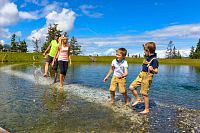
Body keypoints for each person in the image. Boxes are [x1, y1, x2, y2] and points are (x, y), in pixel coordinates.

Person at [129, 42, 159, 114]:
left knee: (144, 93)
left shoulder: (154, 60)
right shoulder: (147, 57)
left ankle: (147, 109)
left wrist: (152, 69)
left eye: (144, 50)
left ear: (148, 51)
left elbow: (156, 71)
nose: (144, 52)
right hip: (141, 75)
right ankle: (138, 99)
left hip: (147, 77)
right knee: (131, 87)